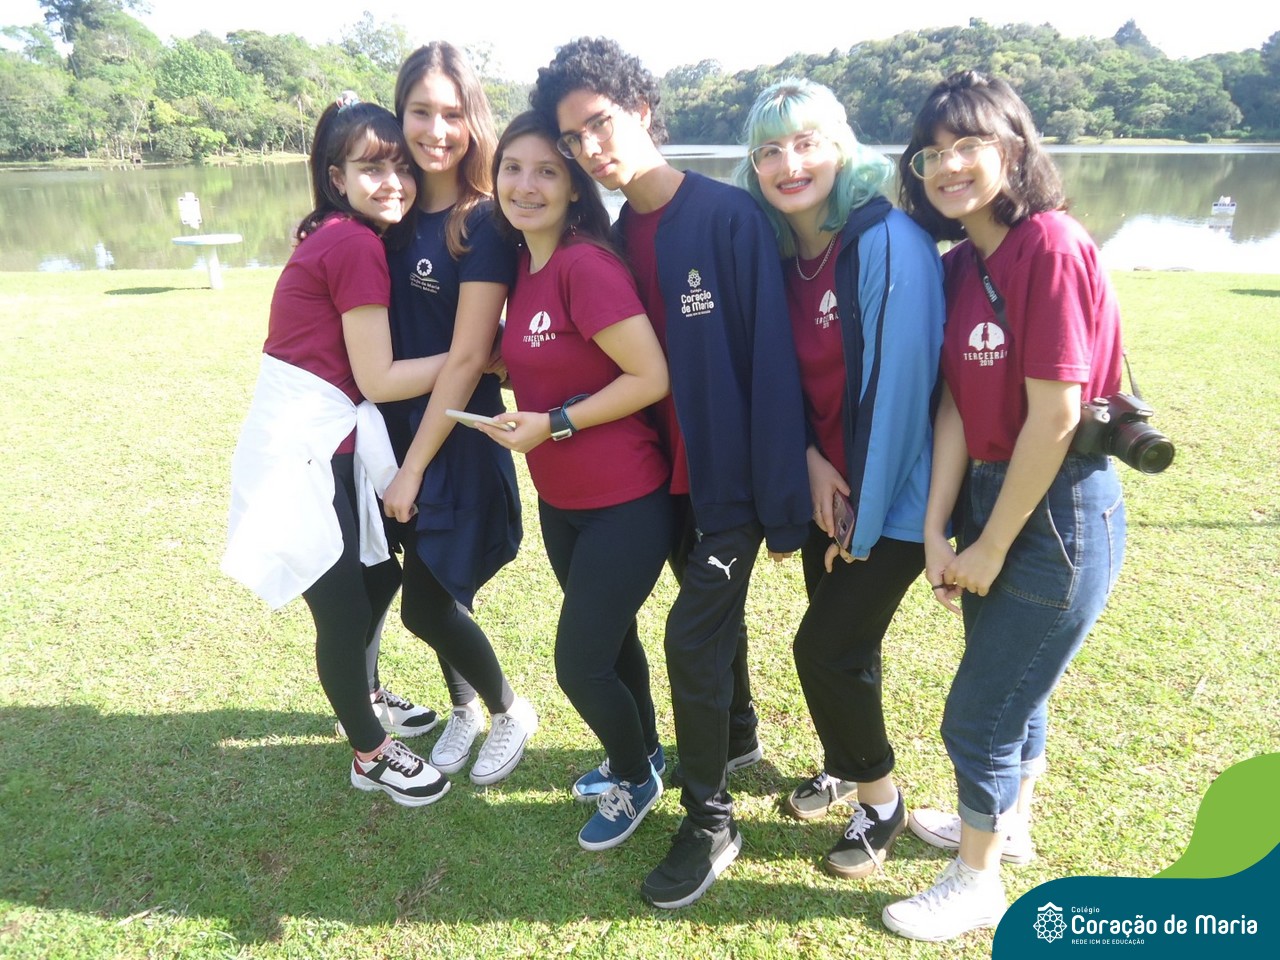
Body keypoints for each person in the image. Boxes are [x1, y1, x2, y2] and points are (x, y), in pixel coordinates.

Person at [532, 38, 811, 908]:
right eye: (572, 138)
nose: (589, 149)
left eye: (599, 123)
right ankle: (738, 733)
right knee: (709, 629)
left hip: (732, 484)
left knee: (689, 639)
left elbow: (773, 362)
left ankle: (711, 819)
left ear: (642, 110)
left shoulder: (728, 217)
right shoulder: (615, 239)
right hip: (663, 482)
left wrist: (785, 508)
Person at [885, 70, 1126, 941]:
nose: (948, 166)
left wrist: (990, 545)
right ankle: (1007, 823)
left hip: (1057, 505)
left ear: (1014, 150)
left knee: (982, 710)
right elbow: (955, 403)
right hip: (991, 490)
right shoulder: (961, 265)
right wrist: (937, 527)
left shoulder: (1050, 246)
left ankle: (976, 878)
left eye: (968, 145)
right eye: (931, 153)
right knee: (1014, 686)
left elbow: (1056, 417)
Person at [736, 79, 945, 878]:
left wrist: (867, 518)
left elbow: (899, 396)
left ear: (841, 148)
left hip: (897, 496)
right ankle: (842, 762)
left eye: (807, 143)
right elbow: (779, 380)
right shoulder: (784, 253)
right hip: (834, 489)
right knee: (849, 644)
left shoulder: (885, 240)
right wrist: (811, 463)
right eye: (770, 150)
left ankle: (879, 800)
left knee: (823, 648)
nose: (789, 164)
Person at [223, 97, 450, 806]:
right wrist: (475, 358)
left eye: (402, 167)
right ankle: (369, 752)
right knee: (345, 610)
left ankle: (367, 694)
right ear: (336, 177)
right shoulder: (353, 244)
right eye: (371, 168)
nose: (393, 182)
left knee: (377, 578)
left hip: (329, 440)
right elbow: (379, 379)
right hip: (305, 448)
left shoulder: (340, 233)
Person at [477, 111, 672, 850]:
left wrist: (554, 422)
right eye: (513, 168)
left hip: (626, 501)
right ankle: (643, 752)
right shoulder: (524, 264)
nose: (526, 186)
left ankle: (635, 778)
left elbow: (650, 376)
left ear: (573, 187)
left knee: (580, 664)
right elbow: (550, 354)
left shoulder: (582, 265)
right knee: (613, 643)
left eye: (547, 172)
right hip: (563, 502)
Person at [378, 43, 535, 786]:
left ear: (472, 120)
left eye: (450, 113)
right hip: (397, 426)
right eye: (420, 111)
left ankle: (509, 710)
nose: (435, 130)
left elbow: (470, 358)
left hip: (458, 436)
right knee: (432, 573)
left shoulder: (483, 222)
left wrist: (412, 469)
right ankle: (464, 709)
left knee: (426, 605)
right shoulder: (392, 209)